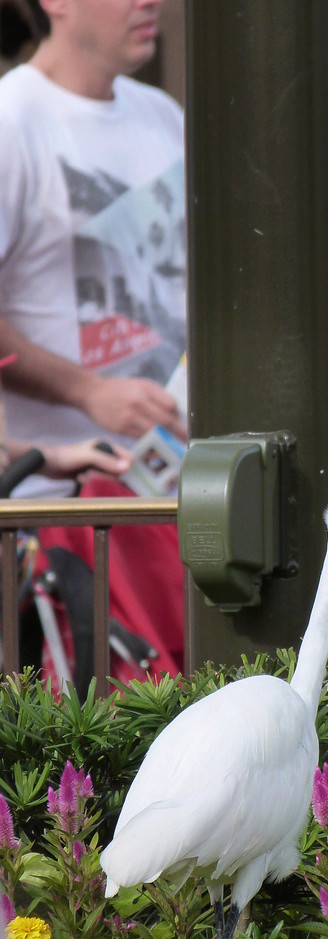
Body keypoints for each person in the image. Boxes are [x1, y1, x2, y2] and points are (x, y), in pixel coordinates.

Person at [0, 0, 186, 679]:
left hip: (179, 510)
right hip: (66, 533)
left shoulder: (163, 116)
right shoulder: (11, 120)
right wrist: (89, 390)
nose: (151, 0)